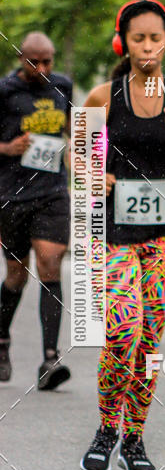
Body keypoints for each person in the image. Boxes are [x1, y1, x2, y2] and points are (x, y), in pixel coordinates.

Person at [80, 0, 165, 470]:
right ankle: (105, 428)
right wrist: (96, 175)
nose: (149, 47)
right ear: (123, 43)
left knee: (148, 343)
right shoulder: (103, 97)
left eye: (156, 37)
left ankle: (133, 438)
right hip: (113, 237)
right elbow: (78, 157)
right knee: (122, 330)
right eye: (139, 38)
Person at [0, 32, 72, 389]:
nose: (42, 68)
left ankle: (49, 359)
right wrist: (7, 147)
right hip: (11, 194)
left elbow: (78, 128)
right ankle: (2, 342)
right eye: (34, 62)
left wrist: (81, 149)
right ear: (21, 58)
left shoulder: (63, 86)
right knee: (16, 274)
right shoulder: (5, 91)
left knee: (50, 262)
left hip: (53, 193)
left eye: (48, 61)